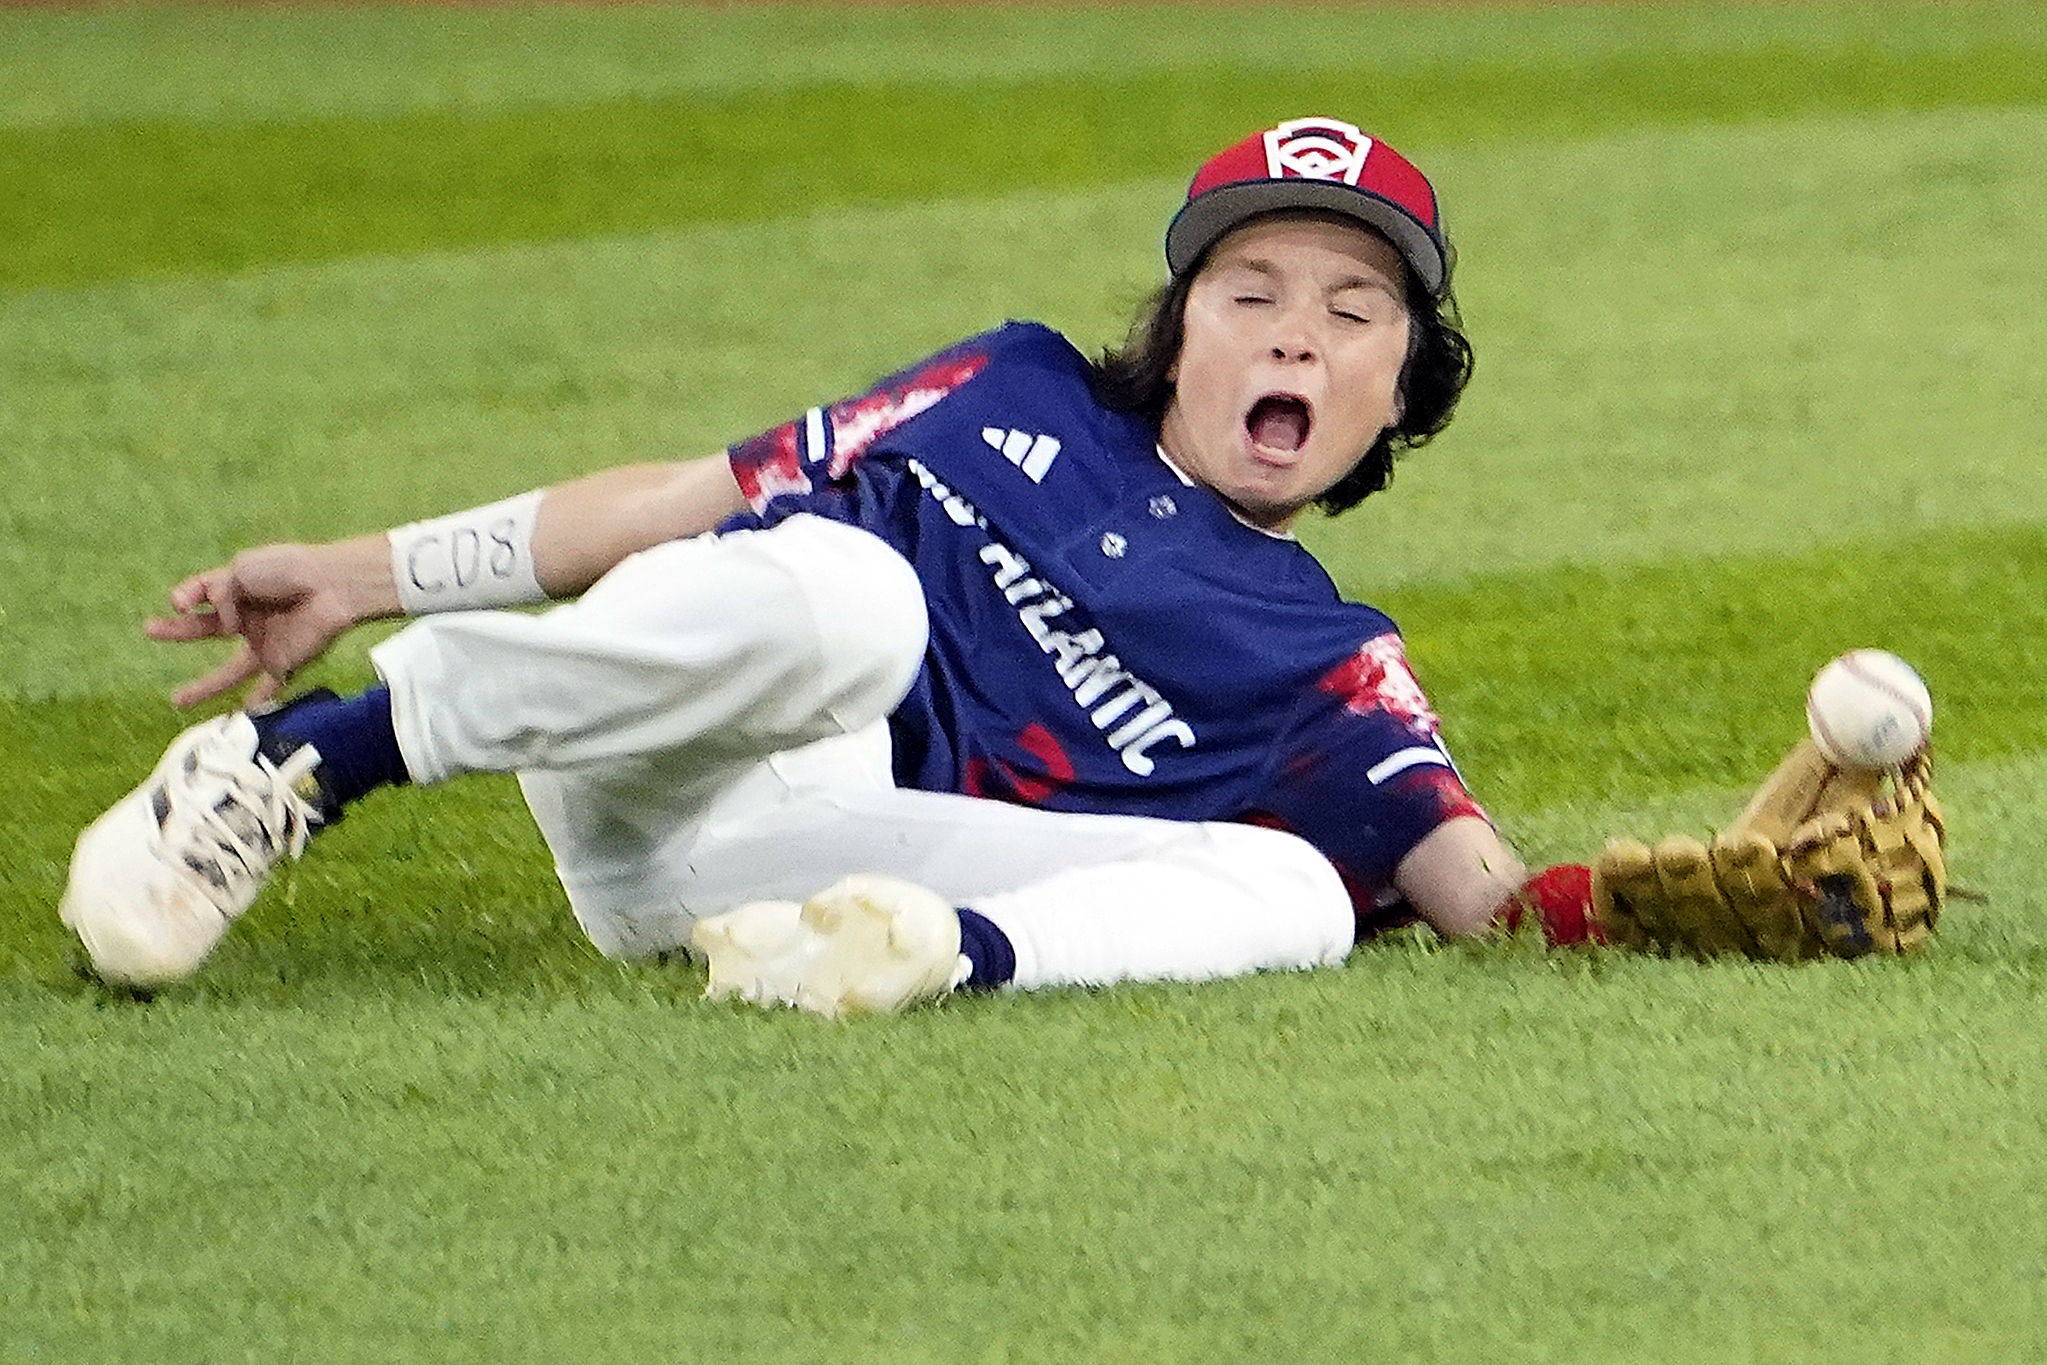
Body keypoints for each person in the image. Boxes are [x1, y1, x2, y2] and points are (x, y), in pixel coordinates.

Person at [61, 115, 1591, 1015]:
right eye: (1249, 288)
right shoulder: (1013, 386)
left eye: (1353, 312)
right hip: (671, 736)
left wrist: (1728, 904)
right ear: (1177, 329)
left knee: (1300, 895)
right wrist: (363, 571)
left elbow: (1492, 902)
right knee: (860, 598)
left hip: (787, 874)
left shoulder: (1332, 664)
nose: (1295, 331)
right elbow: (675, 502)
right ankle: (296, 760)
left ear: (1402, 389)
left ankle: (909, 965)